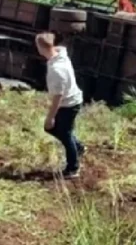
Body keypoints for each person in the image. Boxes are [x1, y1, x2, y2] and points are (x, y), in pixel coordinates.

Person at [36, 32, 85, 179]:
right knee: (63, 132)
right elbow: (59, 47)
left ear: (40, 48)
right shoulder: (61, 53)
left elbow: (58, 96)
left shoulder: (57, 69)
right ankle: (78, 147)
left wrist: (50, 117)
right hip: (73, 100)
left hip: (68, 104)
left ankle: (73, 167)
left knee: (63, 132)